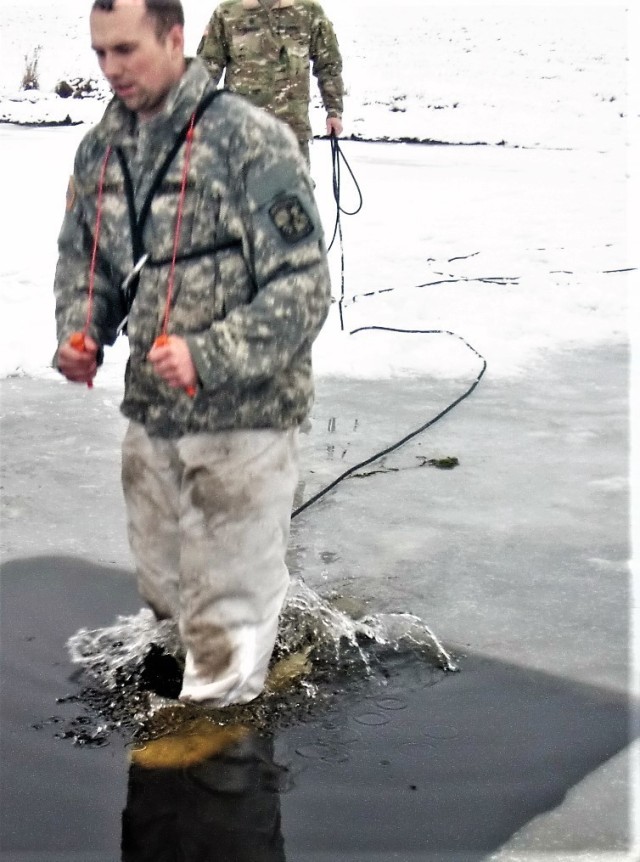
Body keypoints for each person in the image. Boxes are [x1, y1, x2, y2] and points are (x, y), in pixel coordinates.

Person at [54, 0, 331, 709]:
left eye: (127, 50)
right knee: (166, 590)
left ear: (174, 38)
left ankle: (219, 763)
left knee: (223, 619)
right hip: (154, 407)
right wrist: (81, 330)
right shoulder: (102, 151)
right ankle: (247, 653)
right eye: (101, 54)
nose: (112, 69)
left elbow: (304, 286)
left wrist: (211, 355)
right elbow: (87, 260)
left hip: (247, 410)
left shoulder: (252, 141)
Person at [196, 0, 344, 163]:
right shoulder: (228, 13)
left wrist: (334, 111)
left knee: (294, 188)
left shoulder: (309, 12)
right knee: (237, 187)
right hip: (240, 134)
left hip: (292, 135)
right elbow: (208, 67)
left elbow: (329, 65)